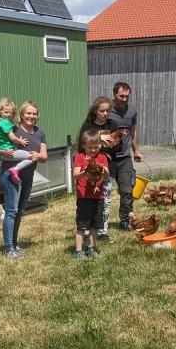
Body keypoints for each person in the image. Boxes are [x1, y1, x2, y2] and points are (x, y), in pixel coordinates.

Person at [0, 100, 47, 260]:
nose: (31, 116)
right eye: (28, 113)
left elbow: (44, 157)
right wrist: (2, 152)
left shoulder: (39, 132)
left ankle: (14, 244)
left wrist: (38, 155)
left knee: (20, 211)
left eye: (34, 113)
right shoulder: (12, 128)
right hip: (11, 176)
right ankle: (9, 249)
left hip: (28, 177)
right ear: (21, 114)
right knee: (12, 211)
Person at [76, 97, 120, 242]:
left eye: (108, 110)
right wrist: (101, 139)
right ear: (95, 111)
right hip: (88, 170)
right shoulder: (88, 125)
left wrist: (110, 143)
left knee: (105, 200)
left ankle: (102, 231)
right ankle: (86, 228)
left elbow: (118, 146)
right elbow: (82, 146)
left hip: (105, 166)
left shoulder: (112, 124)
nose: (106, 113)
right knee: (87, 201)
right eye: (102, 110)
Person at [107, 82, 143, 230]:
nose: (124, 99)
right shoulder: (105, 110)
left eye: (127, 96)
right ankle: (99, 224)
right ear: (114, 94)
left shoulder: (132, 111)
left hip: (124, 157)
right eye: (121, 96)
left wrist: (136, 151)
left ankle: (125, 221)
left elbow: (133, 132)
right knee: (103, 192)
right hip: (107, 157)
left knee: (127, 191)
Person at [72, 130, 109, 260]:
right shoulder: (80, 157)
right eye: (90, 147)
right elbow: (75, 175)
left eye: (95, 147)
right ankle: (78, 250)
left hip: (98, 197)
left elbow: (107, 175)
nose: (93, 150)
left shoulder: (102, 157)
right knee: (82, 224)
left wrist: (103, 169)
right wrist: (85, 171)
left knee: (95, 225)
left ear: (99, 145)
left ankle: (91, 248)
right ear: (83, 146)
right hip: (84, 196)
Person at [0, 97, 32, 187]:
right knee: (31, 157)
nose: (9, 115)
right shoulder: (5, 123)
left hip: (2, 152)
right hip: (9, 152)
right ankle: (15, 170)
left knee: (4, 165)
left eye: (11, 113)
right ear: (0, 112)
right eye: (6, 112)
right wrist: (20, 141)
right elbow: (12, 138)